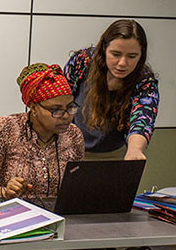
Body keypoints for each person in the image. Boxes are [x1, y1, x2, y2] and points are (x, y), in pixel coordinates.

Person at [0, 63, 124, 250]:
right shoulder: (5, 128)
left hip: (61, 220)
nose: (66, 116)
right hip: (14, 217)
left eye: (70, 107)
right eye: (56, 109)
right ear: (33, 107)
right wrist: (5, 190)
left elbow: (75, 185)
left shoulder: (74, 135)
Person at [63, 19, 159, 160]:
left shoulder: (145, 82)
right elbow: (61, 99)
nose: (122, 63)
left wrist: (135, 150)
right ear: (104, 49)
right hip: (70, 147)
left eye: (132, 56)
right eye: (115, 54)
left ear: (141, 55)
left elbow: (142, 119)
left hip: (113, 154)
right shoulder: (82, 61)